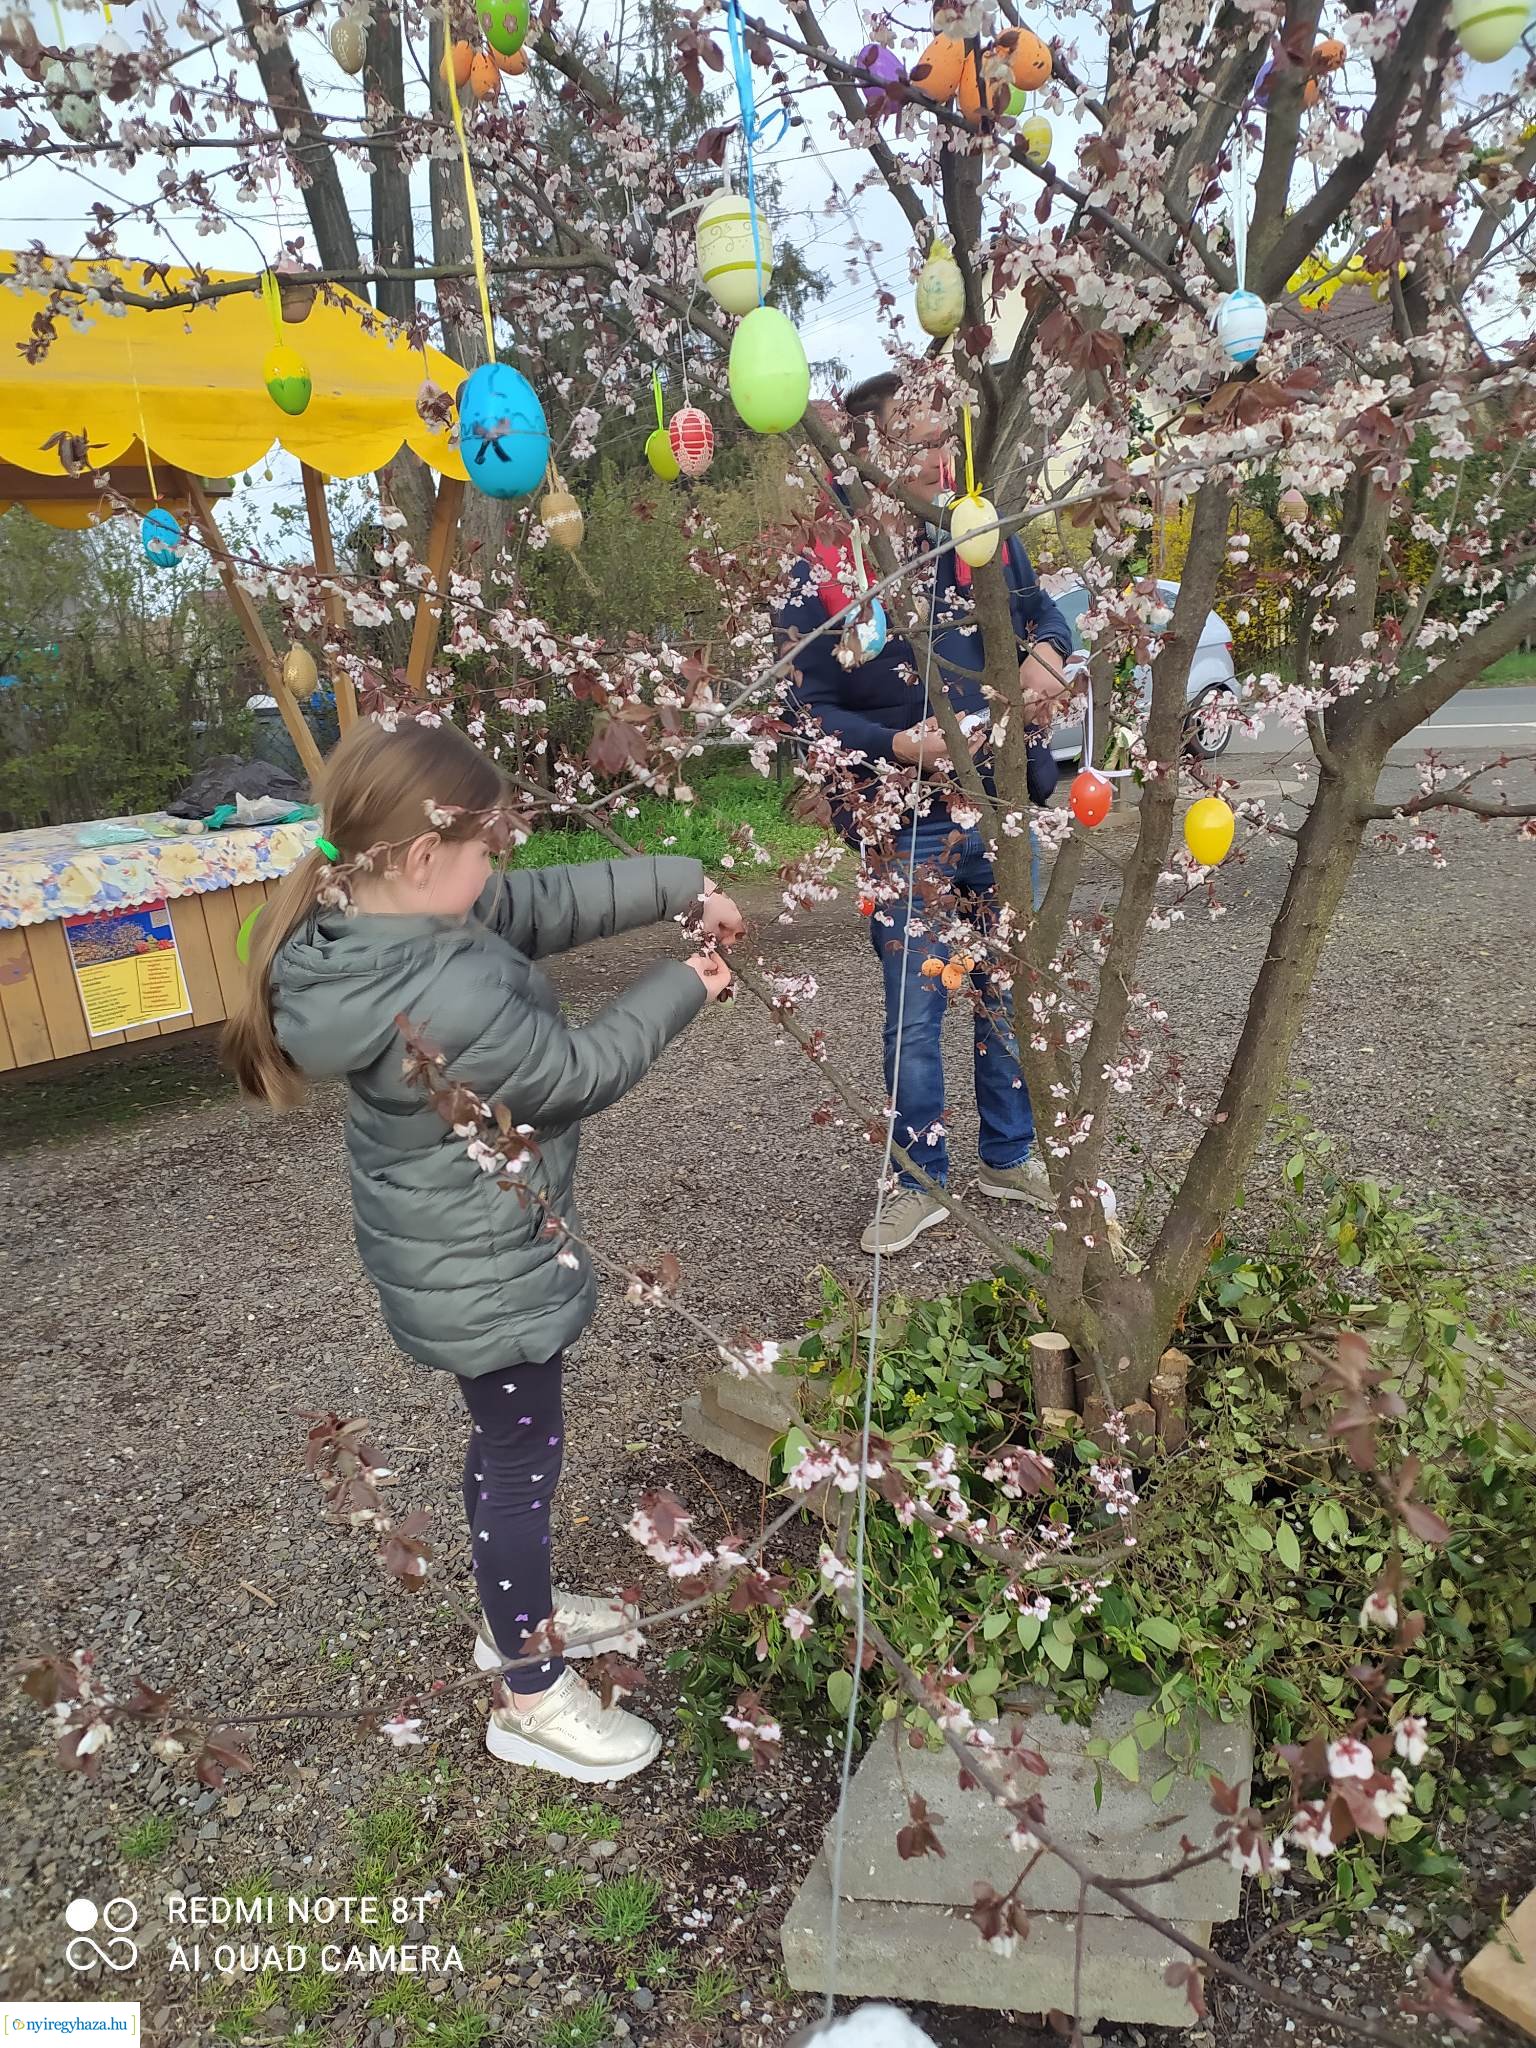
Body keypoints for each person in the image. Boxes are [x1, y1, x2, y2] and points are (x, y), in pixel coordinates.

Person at [225, 719, 741, 1784]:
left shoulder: (377, 916)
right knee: (519, 1458)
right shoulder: (437, 994)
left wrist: (680, 880)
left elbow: (539, 904)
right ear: (422, 857)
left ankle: (524, 1615)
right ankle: (530, 1688)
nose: (497, 868)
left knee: (508, 1443)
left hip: (459, 1242)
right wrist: (690, 977)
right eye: (483, 849)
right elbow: (576, 1068)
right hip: (479, 1265)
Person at [780, 377, 1073, 1257]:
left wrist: (1049, 658)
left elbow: (1041, 613)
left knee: (1006, 985)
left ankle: (1009, 1153)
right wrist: (897, 747)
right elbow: (804, 709)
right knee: (914, 1007)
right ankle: (919, 1180)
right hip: (902, 816)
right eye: (914, 445)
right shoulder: (821, 571)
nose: (936, 461)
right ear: (863, 457)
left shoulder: (972, 536)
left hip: (998, 796)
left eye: (942, 441)